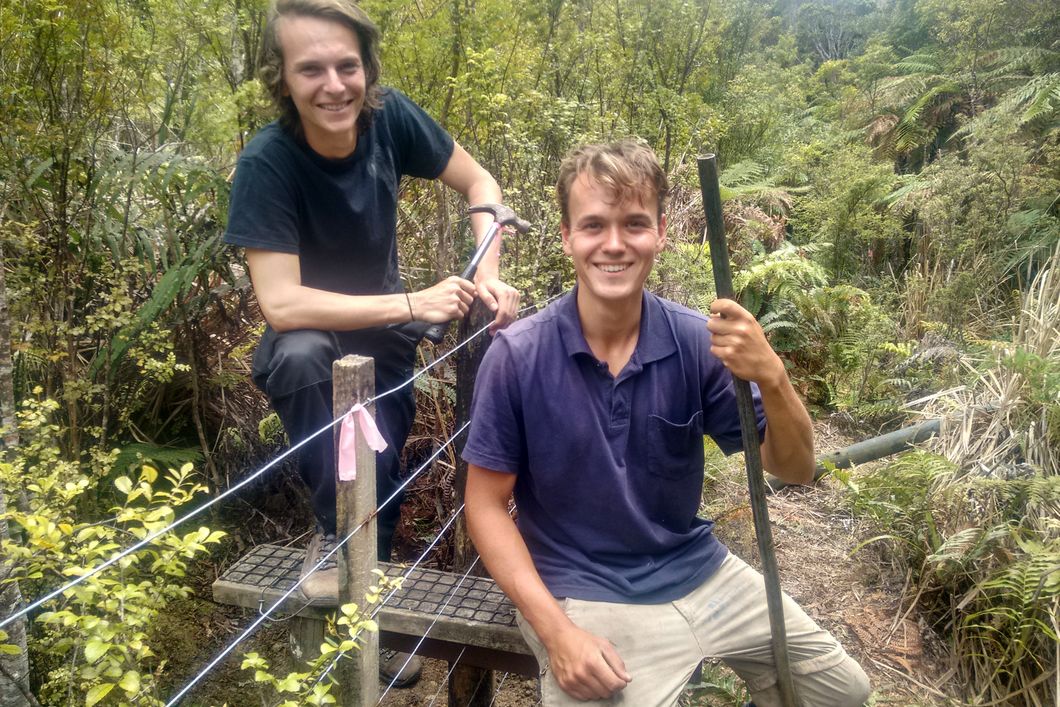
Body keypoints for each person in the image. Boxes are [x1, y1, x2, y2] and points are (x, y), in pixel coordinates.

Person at [462, 141, 870, 706]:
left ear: (659, 234)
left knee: (841, 692)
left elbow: (795, 468)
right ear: (566, 237)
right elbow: (484, 506)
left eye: (634, 224)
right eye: (593, 225)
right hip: (585, 590)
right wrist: (558, 633)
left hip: (699, 571)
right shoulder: (518, 356)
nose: (613, 243)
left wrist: (773, 375)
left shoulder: (697, 343)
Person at [224, 0, 518, 686]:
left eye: (347, 65)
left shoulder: (390, 119)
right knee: (306, 368)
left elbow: (481, 184)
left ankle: (373, 627)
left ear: (367, 69)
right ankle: (334, 546)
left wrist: (491, 271)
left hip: (385, 338)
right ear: (283, 78)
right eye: (311, 69)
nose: (334, 85)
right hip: (311, 343)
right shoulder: (267, 163)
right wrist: (414, 302)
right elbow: (281, 302)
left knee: (379, 468)